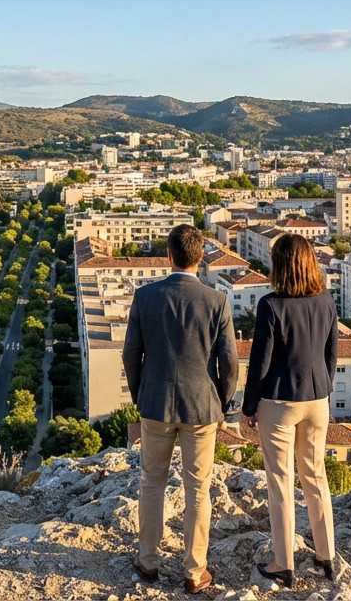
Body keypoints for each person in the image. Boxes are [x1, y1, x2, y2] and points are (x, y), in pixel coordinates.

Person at [122, 223, 240, 594]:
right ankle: (194, 570)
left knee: (151, 482)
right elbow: (230, 363)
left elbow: (130, 354)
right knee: (198, 490)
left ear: (168, 255)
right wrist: (220, 401)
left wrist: (141, 394)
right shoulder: (217, 301)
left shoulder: (144, 297)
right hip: (202, 408)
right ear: (201, 257)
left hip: (155, 403)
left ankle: (148, 560)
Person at [242, 233, 338, 588]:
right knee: (315, 476)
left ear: (279, 265)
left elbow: (260, 363)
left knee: (280, 481)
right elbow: (331, 354)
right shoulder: (325, 299)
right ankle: (326, 553)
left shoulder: (270, 305)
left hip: (279, 401)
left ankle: (284, 562)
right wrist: (322, 388)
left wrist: (249, 406)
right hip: (317, 400)